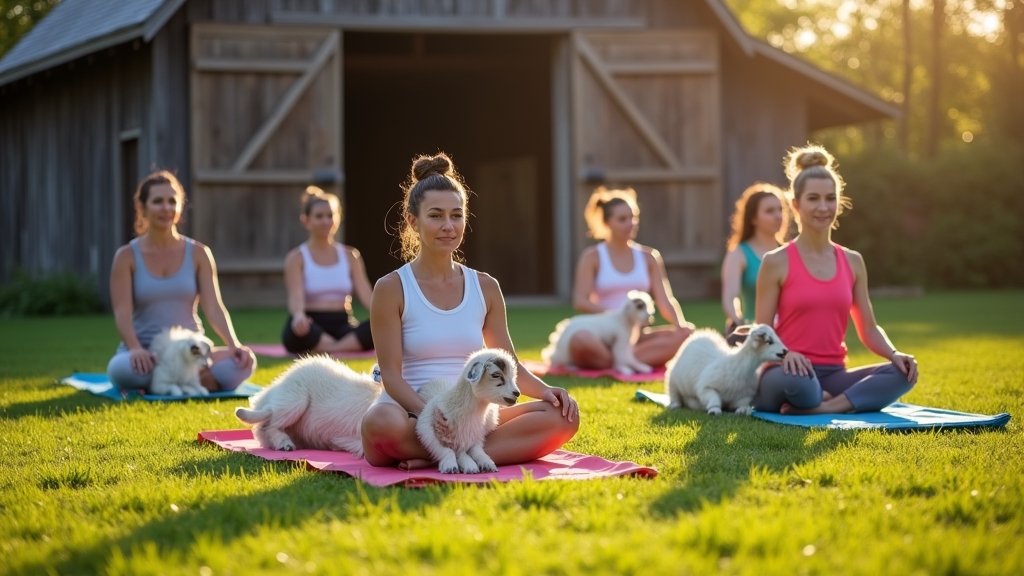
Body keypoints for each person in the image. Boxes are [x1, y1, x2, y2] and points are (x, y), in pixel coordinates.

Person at [360, 153, 580, 470]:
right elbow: (391, 377)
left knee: (562, 416)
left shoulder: (485, 286)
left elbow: (510, 364)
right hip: (413, 413)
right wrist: (433, 418)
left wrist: (548, 392)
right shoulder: (391, 288)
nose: (448, 226)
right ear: (413, 221)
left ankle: (433, 457)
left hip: (474, 416)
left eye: (456, 215)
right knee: (379, 422)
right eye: (435, 216)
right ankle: (450, 451)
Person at [754, 145, 918, 414]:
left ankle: (824, 406)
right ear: (795, 204)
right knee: (802, 383)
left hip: (834, 374)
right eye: (813, 198)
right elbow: (761, 332)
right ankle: (829, 400)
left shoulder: (853, 261)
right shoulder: (776, 261)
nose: (823, 207)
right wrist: (786, 355)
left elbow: (869, 329)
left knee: (902, 373)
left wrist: (894, 354)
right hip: (786, 370)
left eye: (830, 198)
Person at [106, 171, 255, 391]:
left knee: (243, 365)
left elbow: (214, 308)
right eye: (157, 201)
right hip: (148, 354)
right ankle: (194, 378)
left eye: (172, 201)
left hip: (190, 351)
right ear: (141, 207)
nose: (166, 208)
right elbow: (122, 313)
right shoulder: (126, 256)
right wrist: (136, 349)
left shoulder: (199, 253)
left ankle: (173, 378)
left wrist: (234, 345)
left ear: (180, 206)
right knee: (121, 370)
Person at [567, 187, 694, 370]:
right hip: (603, 334)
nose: (630, 223)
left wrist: (680, 325)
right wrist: (620, 316)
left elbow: (665, 300)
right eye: (622, 219)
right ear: (607, 223)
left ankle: (615, 361)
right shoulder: (592, 256)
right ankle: (624, 359)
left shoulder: (649, 257)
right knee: (579, 340)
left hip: (637, 335)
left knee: (687, 335)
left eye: (633, 217)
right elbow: (580, 301)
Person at [281, 186, 374, 354]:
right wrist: (299, 316)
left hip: (343, 324)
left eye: (330, 216)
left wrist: (386, 317)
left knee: (377, 327)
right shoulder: (296, 258)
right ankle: (342, 348)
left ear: (338, 219)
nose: (325, 221)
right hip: (311, 325)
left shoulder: (351, 255)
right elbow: (295, 297)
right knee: (295, 331)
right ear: (306, 220)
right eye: (319, 216)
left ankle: (328, 349)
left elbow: (366, 294)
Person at [720, 183, 788, 335]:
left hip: (790, 331)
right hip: (754, 331)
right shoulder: (739, 254)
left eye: (781, 209)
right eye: (770, 211)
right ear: (754, 218)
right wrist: (738, 322)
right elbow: (730, 296)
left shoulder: (792, 252)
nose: (778, 216)